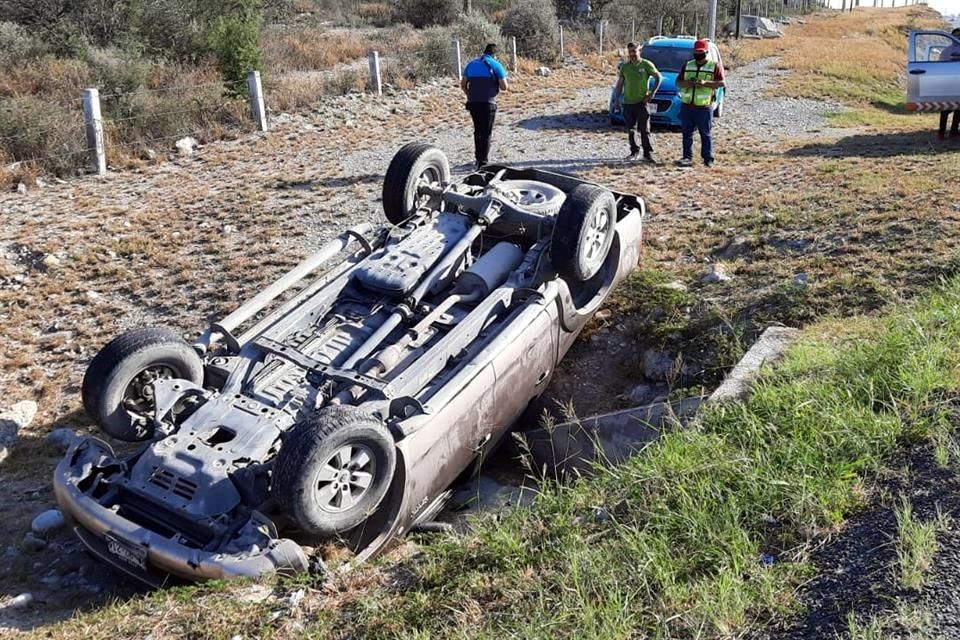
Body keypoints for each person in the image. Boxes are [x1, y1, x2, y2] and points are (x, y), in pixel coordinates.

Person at [676, 39, 725, 167]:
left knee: (705, 133)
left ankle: (708, 159)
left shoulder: (714, 66)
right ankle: (687, 157)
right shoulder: (687, 65)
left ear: (706, 52)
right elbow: (678, 82)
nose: (698, 54)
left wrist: (704, 83)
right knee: (687, 133)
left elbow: (721, 83)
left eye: (701, 52)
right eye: (696, 52)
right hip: (687, 105)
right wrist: (689, 83)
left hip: (704, 106)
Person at [612, 42, 663, 163]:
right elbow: (620, 84)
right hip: (628, 103)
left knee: (645, 130)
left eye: (634, 51)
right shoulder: (625, 67)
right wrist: (616, 100)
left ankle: (648, 153)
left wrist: (652, 93)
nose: (632, 54)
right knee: (631, 129)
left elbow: (658, 77)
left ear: (639, 51)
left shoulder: (646, 64)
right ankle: (634, 151)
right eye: (630, 52)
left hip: (642, 103)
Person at [461, 43, 509, 168]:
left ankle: (478, 158)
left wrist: (469, 95)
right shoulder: (496, 65)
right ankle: (483, 162)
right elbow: (504, 87)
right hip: (489, 103)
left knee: (477, 131)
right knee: (486, 132)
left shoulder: (471, 64)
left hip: (473, 103)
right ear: (495, 55)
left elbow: (463, 84)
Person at [936, 28, 960, 140]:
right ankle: (944, 132)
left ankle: (952, 132)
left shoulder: (945, 50)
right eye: (957, 35)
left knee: (957, 108)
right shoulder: (946, 51)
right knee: (946, 108)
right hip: (949, 82)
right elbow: (939, 66)